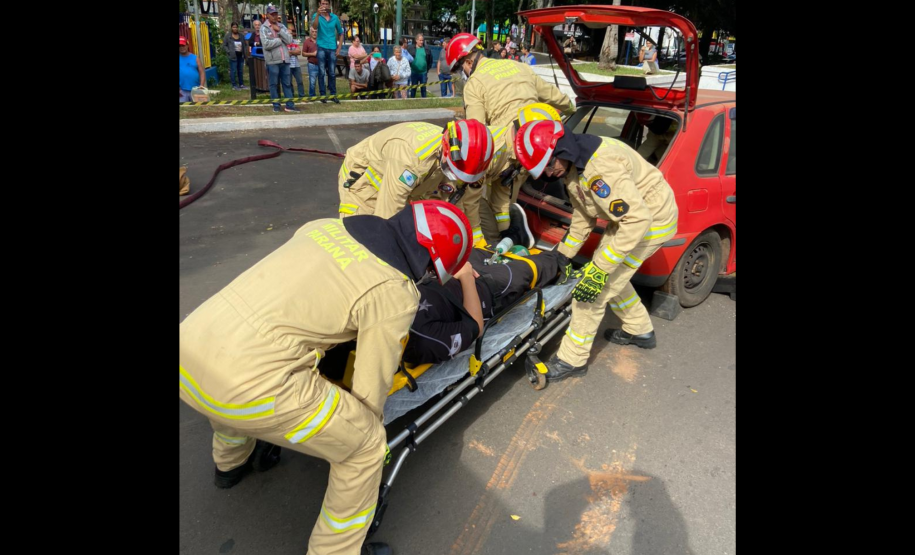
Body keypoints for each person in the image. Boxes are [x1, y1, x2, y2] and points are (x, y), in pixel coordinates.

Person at [180, 200, 474, 555]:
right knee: (365, 446)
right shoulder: (394, 291)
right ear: (432, 262)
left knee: (234, 367)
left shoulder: (324, 226)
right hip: (247, 387)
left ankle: (228, 467)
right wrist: (355, 426)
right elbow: (371, 387)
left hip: (194, 345)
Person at [512, 120, 679, 382]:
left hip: (648, 222)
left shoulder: (599, 170)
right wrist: (562, 254)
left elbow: (637, 220)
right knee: (615, 279)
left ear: (561, 151)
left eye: (548, 165)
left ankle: (572, 359)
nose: (547, 173)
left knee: (592, 291)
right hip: (630, 219)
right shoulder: (573, 163)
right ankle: (640, 330)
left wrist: (598, 270)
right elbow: (584, 213)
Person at [403, 241, 567, 365]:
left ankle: (518, 235)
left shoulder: (388, 306)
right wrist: (466, 276)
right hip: (486, 290)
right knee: (534, 268)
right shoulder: (425, 341)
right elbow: (475, 327)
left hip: (450, 273)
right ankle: (563, 256)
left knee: (487, 250)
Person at [337, 120, 494, 219]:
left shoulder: (451, 152)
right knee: (363, 239)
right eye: (454, 170)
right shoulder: (409, 158)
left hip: (400, 178)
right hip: (365, 180)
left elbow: (445, 198)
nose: (454, 176)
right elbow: (388, 214)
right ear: (446, 149)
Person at [456, 102, 562, 246]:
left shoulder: (518, 151)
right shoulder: (492, 150)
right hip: (452, 190)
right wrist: (478, 237)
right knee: (484, 236)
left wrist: (505, 230)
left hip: (468, 192)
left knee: (496, 231)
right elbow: (469, 198)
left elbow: (502, 188)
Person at [443, 32, 574, 128]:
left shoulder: (473, 84)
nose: (462, 74)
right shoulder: (519, 66)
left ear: (468, 63)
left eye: (460, 69)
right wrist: (572, 109)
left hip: (512, 144)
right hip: (541, 130)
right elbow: (552, 95)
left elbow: (476, 131)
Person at [261, 6, 299, 112]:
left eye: (275, 14)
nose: (274, 16)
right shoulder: (264, 28)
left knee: (287, 83)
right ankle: (276, 106)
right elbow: (266, 44)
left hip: (285, 60)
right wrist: (279, 40)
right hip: (272, 61)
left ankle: (289, 105)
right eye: (272, 14)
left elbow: (290, 39)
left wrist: (280, 32)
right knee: (273, 84)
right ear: (267, 15)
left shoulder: (281, 26)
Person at [311, 0, 344, 104]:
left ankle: (333, 94)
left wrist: (339, 48)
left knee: (332, 72)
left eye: (326, 4)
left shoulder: (334, 17)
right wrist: (317, 14)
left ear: (329, 5)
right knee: (321, 72)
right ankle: (322, 95)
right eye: (323, 4)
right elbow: (315, 27)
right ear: (320, 5)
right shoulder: (316, 16)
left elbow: (341, 33)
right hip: (321, 46)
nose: (324, 6)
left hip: (332, 47)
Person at [223, 22, 249, 91]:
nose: (235, 28)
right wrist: (229, 52)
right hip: (233, 56)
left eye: (236, 27)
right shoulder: (228, 36)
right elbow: (224, 45)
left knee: (240, 70)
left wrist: (245, 51)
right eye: (233, 27)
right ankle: (234, 85)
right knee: (233, 70)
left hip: (241, 55)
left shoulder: (241, 36)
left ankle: (241, 84)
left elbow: (245, 45)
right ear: (231, 28)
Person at [179, 36, 205, 103]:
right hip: (182, 91)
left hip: (196, 90)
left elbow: (201, 72)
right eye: (180, 46)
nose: (182, 48)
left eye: (183, 45)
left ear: (187, 45)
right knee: (183, 111)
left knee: (198, 110)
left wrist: (201, 86)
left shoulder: (195, 58)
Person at [407, 33, 431, 98]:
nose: (421, 42)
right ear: (416, 40)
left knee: (423, 88)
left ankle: (424, 100)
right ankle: (412, 100)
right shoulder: (410, 48)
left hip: (423, 73)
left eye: (422, 40)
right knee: (413, 88)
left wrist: (427, 69)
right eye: (420, 40)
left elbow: (430, 60)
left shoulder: (426, 49)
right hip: (414, 72)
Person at [302, 26, 320, 97]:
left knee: (323, 82)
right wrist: (312, 54)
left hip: (321, 64)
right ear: (310, 32)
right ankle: (312, 96)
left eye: (316, 32)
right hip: (312, 64)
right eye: (313, 32)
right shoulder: (307, 42)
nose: (314, 33)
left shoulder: (321, 41)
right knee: (312, 82)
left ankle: (323, 96)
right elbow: (303, 53)